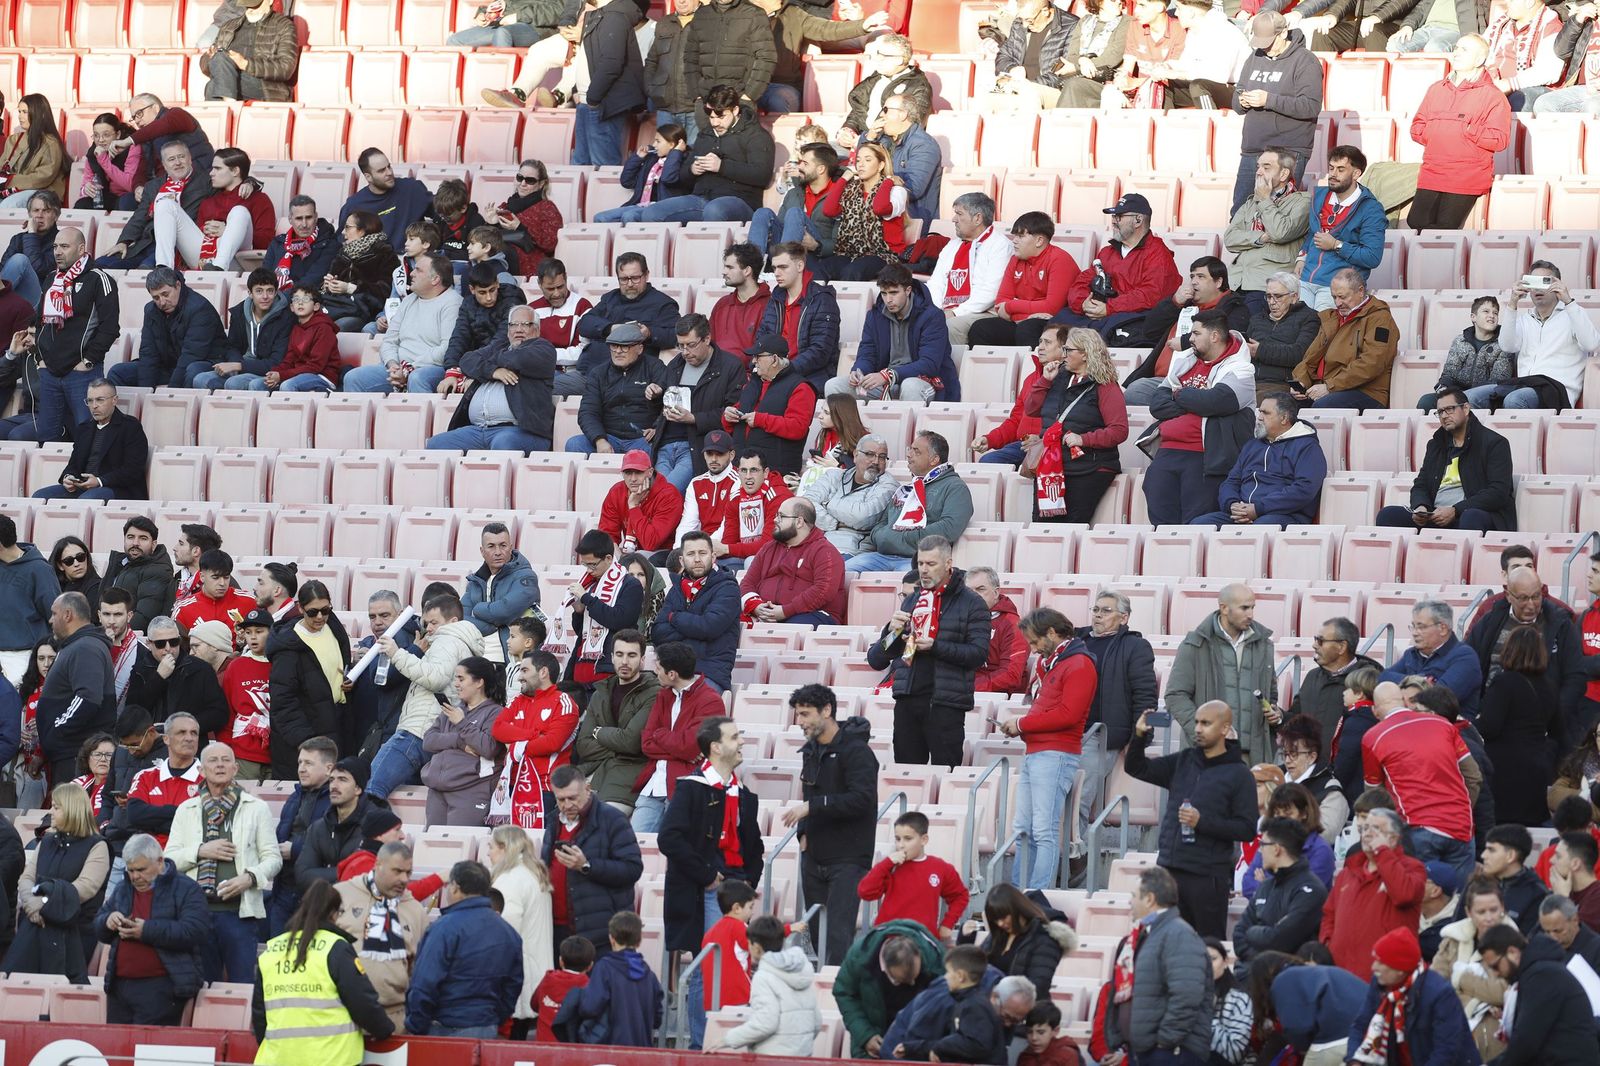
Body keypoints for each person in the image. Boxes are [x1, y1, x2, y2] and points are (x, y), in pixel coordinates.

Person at [659, 716, 762, 1045]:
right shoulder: (692, 787)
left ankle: (721, 1041)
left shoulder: (744, 794)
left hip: (734, 893)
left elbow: (754, 848)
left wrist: (747, 886)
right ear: (716, 747)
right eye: (735, 737)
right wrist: (706, 876)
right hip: (704, 892)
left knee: (732, 965)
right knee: (711, 965)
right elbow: (669, 838)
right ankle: (702, 1044)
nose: (741, 742)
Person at [1126, 703, 1257, 938]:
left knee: (1207, 946)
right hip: (1169, 870)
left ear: (1225, 728)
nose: (1198, 728)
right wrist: (1139, 736)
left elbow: (1247, 829)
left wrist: (1202, 822)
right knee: (1160, 942)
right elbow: (1137, 768)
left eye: (1206, 723)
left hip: (1207, 878)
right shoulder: (1184, 760)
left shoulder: (1240, 774)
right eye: (1197, 722)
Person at [993, 608, 1095, 890]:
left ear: (1052, 633)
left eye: (1035, 642)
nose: (1033, 649)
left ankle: (1037, 895)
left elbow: (1068, 715)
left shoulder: (1079, 664)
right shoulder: (1055, 662)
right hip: (1038, 752)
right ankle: (1019, 894)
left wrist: (1023, 724)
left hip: (1057, 754)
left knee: (1043, 831)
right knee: (1023, 829)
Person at [866, 536, 990, 767]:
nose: (923, 570)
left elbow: (978, 654)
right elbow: (876, 659)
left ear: (948, 563)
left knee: (946, 774)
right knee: (907, 775)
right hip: (908, 698)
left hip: (946, 703)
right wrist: (891, 632)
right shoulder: (912, 600)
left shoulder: (973, 603)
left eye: (931, 564)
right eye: (921, 563)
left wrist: (935, 647)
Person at [163, 741, 281, 982]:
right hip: (197, 913)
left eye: (226, 760)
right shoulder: (186, 809)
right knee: (203, 987)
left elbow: (273, 859)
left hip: (240, 914)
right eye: (213, 761)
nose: (220, 765)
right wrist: (200, 850)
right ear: (202, 771)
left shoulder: (256, 808)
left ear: (236, 768)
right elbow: (168, 859)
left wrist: (249, 878)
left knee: (243, 984)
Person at [783, 684, 878, 965]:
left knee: (838, 939)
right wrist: (803, 835)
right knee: (817, 936)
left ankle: (837, 1001)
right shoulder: (810, 749)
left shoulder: (857, 752)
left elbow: (861, 800)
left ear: (827, 711)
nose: (799, 721)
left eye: (805, 714)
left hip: (848, 857)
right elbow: (808, 793)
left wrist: (814, 807)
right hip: (814, 855)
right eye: (798, 715)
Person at [252, 879, 395, 1064]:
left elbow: (259, 1014)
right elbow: (361, 1001)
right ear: (334, 914)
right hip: (330, 1058)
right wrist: (383, 1029)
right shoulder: (336, 947)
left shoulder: (272, 950)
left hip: (277, 1059)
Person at [1141, 308, 1256, 525]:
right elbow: (1157, 404)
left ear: (1214, 336)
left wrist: (1179, 394)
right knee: (1160, 522)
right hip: (1167, 453)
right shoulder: (1186, 361)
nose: (1190, 339)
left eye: (1195, 334)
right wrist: (1195, 402)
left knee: (1194, 526)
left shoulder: (1241, 369)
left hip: (1206, 458)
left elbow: (1218, 401)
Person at [5, 227, 118, 445]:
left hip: (82, 373)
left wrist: (88, 360)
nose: (57, 251)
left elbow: (110, 327)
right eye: (55, 246)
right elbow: (39, 322)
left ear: (82, 248)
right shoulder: (51, 279)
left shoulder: (99, 279)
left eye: (64, 246)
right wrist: (40, 359)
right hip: (50, 373)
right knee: (48, 437)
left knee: (87, 435)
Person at [1362, 682, 1480, 888]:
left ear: (1374, 710)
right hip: (1461, 825)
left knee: (1419, 903)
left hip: (1416, 827)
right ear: (1406, 701)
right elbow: (1473, 775)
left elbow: (1375, 796)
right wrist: (1463, 808)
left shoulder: (1373, 737)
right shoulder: (1443, 725)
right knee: (1459, 904)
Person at [94, 832, 209, 1026]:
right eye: (130, 871)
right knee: (117, 1052)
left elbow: (195, 930)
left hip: (163, 988)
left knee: (147, 1052)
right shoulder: (123, 888)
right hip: (119, 988)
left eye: (141, 869)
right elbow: (98, 926)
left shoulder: (186, 889)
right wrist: (108, 921)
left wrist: (145, 931)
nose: (135, 876)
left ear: (160, 861)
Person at [1406, 35, 1513, 231]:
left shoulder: (1493, 96)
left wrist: (1467, 130)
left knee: (1444, 229)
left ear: (1480, 60)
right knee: (1416, 223)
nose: (1457, 52)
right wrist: (1435, 132)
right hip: (1433, 171)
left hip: (1465, 176)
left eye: (1465, 50)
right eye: (1456, 48)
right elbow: (1417, 127)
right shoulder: (1436, 89)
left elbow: (1499, 140)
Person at [406, 860, 524, 1037]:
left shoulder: (443, 929)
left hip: (443, 1029)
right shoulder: (508, 932)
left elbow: (424, 984)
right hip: (486, 1027)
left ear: (454, 887)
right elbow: (513, 986)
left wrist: (415, 1025)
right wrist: (493, 1019)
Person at [4, 782, 109, 981]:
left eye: (56, 807)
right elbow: (27, 877)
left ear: (72, 809)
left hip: (73, 931)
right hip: (35, 923)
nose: (51, 811)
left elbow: (85, 887)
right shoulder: (47, 841)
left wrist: (42, 904)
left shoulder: (97, 846)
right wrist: (30, 904)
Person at [1164, 583, 1277, 767]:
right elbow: (1175, 696)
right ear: (1224, 608)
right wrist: (1204, 732)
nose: (1251, 614)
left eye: (1252, 607)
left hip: (1253, 757)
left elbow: (1271, 693)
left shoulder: (1264, 645)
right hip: (1208, 756)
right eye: (1244, 608)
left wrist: (1274, 711)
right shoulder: (1195, 644)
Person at [1376, 388, 1517, 533]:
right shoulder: (1436, 444)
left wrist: (1456, 510)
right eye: (1440, 412)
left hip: (1470, 514)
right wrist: (1421, 507)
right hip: (1435, 515)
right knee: (1387, 515)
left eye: (1449, 409)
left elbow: (1498, 492)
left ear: (1466, 408)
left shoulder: (1494, 443)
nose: (1444, 416)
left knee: (1471, 517)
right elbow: (1421, 484)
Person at [543, 763, 644, 954]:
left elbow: (632, 869)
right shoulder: (554, 820)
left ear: (587, 789)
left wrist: (587, 866)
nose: (567, 805)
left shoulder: (613, 820)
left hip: (600, 934)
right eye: (560, 799)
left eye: (573, 798)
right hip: (557, 929)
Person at [330, 839, 428, 1033]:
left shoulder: (416, 911)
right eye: (397, 871)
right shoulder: (340, 894)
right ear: (378, 865)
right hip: (341, 1015)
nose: (404, 879)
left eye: (408, 873)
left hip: (393, 1019)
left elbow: (419, 969)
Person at [831, 262, 960, 405]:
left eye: (893, 293)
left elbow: (929, 364)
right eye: (884, 293)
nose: (888, 300)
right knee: (835, 386)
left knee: (911, 386)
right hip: (886, 382)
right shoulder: (874, 316)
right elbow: (867, 353)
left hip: (925, 382)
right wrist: (858, 371)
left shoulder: (932, 316)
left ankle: (908, 428)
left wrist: (888, 375)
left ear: (908, 290)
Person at [1122, 866, 1214, 1064]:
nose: (1130, 901)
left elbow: (1187, 995)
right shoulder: (1155, 933)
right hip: (1153, 1050)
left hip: (1172, 1053)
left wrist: (1165, 1042)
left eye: (1134, 895)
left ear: (1149, 899)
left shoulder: (1178, 935)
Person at [1348, 926, 1477, 1066]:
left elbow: (1446, 1050)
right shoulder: (1379, 984)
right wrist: (1355, 1059)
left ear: (1399, 969)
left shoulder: (1439, 993)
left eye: (1381, 962)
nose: (1374, 967)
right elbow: (1360, 1025)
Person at [1320, 807, 1427, 975]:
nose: (1367, 834)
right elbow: (1329, 914)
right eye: (1364, 828)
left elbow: (1403, 895)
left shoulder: (1413, 868)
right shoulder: (1348, 873)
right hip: (1341, 974)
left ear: (1393, 839)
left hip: (1384, 978)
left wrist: (1382, 852)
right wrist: (1328, 944)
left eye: (1376, 829)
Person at [1476, 627, 1566, 825]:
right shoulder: (1549, 685)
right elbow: (1558, 730)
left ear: (1509, 650)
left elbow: (1490, 726)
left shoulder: (1504, 682)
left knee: (1501, 831)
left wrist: (1473, 720)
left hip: (1504, 769)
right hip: (1537, 767)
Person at [848, 432, 974, 572]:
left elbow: (948, 528)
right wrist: (888, 539)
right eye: (910, 449)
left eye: (916, 451)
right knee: (844, 571)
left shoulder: (955, 488)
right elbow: (880, 526)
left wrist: (900, 539)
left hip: (921, 560)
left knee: (909, 583)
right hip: (882, 556)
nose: (909, 455)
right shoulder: (907, 488)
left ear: (934, 460)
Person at [1481, 261, 1600, 410]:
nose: (1537, 288)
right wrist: (1512, 303)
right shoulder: (1525, 320)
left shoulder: (1574, 313)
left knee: (1514, 400)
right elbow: (1507, 345)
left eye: (1544, 282)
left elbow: (1592, 344)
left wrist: (1568, 301)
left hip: (1557, 391)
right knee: (1470, 398)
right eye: (1533, 282)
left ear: (1557, 286)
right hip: (1524, 385)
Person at [265, 582, 352, 778]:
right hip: (307, 740)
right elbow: (283, 704)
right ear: (300, 608)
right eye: (313, 612)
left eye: (325, 610)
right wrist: (309, 743)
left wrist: (349, 681)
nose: (320, 617)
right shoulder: (287, 648)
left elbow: (340, 667)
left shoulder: (333, 627)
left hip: (338, 723)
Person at [343, 254, 463, 395]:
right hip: (400, 368)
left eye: (418, 270)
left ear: (435, 279)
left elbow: (447, 349)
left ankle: (417, 417)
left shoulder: (453, 303)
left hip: (431, 367)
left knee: (417, 378)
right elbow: (389, 340)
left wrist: (409, 369)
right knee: (353, 378)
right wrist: (393, 364)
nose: (411, 273)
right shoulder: (408, 300)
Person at [650, 314, 745, 492]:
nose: (685, 352)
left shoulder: (731, 366)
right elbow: (662, 403)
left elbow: (732, 413)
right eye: (681, 346)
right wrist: (655, 395)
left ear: (707, 338)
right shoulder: (676, 363)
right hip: (665, 444)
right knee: (656, 493)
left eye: (691, 345)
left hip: (696, 447)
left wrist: (694, 418)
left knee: (664, 493)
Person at [965, 212, 1080, 351]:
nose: (1014, 240)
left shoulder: (1060, 260)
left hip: (1055, 324)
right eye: (1014, 236)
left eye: (1020, 236)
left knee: (1027, 329)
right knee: (981, 328)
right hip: (1021, 321)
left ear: (1039, 240)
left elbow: (1052, 308)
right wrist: (1024, 313)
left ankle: (1033, 372)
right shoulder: (1015, 259)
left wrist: (1011, 307)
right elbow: (1000, 303)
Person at [1288, 269, 1399, 412]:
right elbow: (1310, 358)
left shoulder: (1381, 320)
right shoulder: (1332, 317)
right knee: (1281, 405)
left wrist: (1330, 386)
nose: (1338, 303)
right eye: (1334, 297)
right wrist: (1301, 381)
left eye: (1342, 297)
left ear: (1360, 291)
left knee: (1322, 407)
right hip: (1327, 386)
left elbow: (1372, 363)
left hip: (1367, 391)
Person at [37, 593, 117, 789]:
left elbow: (88, 699)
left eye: (53, 614)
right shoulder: (77, 646)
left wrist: (56, 729)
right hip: (68, 752)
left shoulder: (86, 648)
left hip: (75, 753)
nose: (50, 620)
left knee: (72, 816)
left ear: (67, 615)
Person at [568, 254, 681, 391]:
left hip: (630, 377)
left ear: (646, 275)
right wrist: (611, 328)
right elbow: (585, 324)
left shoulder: (663, 303)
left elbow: (675, 334)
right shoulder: (610, 298)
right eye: (624, 279)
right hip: (590, 372)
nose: (629, 284)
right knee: (549, 387)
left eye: (635, 278)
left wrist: (649, 333)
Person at [834, 920, 944, 1057]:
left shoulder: (936, 960)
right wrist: (865, 1035)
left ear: (919, 955)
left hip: (918, 1046)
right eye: (902, 980)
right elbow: (844, 993)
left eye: (915, 976)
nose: (912, 983)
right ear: (885, 966)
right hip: (872, 1042)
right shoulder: (861, 956)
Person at [1296, 146, 1385, 312]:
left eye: (1341, 169)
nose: (1333, 174)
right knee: (1294, 328)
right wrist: (1302, 257)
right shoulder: (1319, 196)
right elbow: (1312, 234)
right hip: (1306, 279)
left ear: (1356, 174)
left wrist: (1337, 245)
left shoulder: (1371, 209)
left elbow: (1372, 257)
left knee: (1318, 330)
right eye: (1331, 168)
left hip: (1339, 288)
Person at [859, 809, 969, 944]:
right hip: (887, 940)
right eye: (897, 839)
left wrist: (947, 925)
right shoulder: (890, 866)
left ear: (924, 840)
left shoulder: (940, 867)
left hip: (922, 941)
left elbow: (960, 896)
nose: (901, 845)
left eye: (908, 839)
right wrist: (886, 864)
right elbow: (865, 892)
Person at [421, 657, 506, 827]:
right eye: (455, 679)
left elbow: (488, 748)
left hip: (471, 791)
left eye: (461, 679)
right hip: (437, 790)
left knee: (460, 847)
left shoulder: (496, 712)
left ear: (479, 682)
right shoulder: (453, 711)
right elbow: (428, 741)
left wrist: (461, 723)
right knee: (433, 848)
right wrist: (460, 742)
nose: (456, 684)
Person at [1229, 155, 1316, 322]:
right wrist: (1261, 237)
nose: (1259, 172)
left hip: (1265, 287)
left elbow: (1280, 232)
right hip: (1235, 281)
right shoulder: (1250, 202)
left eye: (1266, 167)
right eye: (1258, 166)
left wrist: (1264, 200)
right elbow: (1230, 239)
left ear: (1283, 174)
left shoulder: (1303, 202)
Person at [1235, 817, 1330, 970]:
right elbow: (1238, 934)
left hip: (1288, 980)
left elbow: (1278, 939)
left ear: (1277, 849)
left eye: (1262, 845)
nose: (1260, 850)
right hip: (1252, 973)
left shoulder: (1310, 891)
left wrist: (1252, 932)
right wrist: (1260, 959)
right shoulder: (1265, 886)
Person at [485, 825, 554, 1034]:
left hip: (518, 974)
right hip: (534, 968)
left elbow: (504, 931)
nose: (488, 853)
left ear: (504, 848)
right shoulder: (533, 875)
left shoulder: (510, 880)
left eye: (491, 847)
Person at [30, 379, 146, 502]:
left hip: (117, 488)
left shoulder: (130, 426)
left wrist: (99, 481)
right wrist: (68, 477)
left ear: (114, 400)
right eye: (90, 401)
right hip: (84, 486)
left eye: (100, 400)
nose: (94, 406)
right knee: (39, 497)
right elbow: (73, 464)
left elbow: (133, 470)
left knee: (87, 499)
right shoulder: (84, 428)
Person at [739, 497, 849, 625]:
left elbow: (823, 591)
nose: (775, 520)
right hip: (767, 614)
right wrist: (756, 606)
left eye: (781, 516)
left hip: (814, 615)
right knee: (729, 622)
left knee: (791, 627)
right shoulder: (769, 548)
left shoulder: (824, 551)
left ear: (799, 522)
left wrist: (786, 611)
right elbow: (748, 582)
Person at [724, 334, 820, 477]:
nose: (753, 361)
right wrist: (728, 416)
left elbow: (797, 427)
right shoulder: (752, 383)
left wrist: (760, 420)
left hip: (775, 473)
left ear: (774, 359)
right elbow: (736, 415)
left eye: (758, 356)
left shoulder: (801, 388)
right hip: (740, 468)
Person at [754, 243, 842, 398]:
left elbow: (820, 351)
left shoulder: (822, 300)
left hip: (810, 377)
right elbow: (762, 338)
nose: (777, 273)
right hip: (775, 373)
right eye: (774, 268)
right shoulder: (776, 298)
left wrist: (784, 368)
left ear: (800, 265)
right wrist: (763, 364)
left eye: (783, 267)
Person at [574, 910, 663, 1046]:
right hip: (642, 1051)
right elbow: (657, 1019)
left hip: (611, 1050)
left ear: (611, 938)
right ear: (639, 940)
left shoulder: (604, 968)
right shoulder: (650, 976)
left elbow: (590, 1007)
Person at [802, 433, 898, 555]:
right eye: (870, 454)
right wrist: (834, 523)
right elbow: (805, 504)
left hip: (850, 551)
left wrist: (826, 504)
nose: (876, 461)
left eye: (882, 457)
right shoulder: (834, 476)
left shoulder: (889, 485)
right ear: (856, 455)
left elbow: (862, 517)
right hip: (814, 544)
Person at [859, 94, 942, 227]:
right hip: (879, 215)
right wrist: (869, 137)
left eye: (886, 110)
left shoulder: (924, 145)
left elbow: (914, 189)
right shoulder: (883, 139)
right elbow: (861, 165)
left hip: (909, 220)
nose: (881, 115)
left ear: (903, 114)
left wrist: (885, 182)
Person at [838, 34, 930, 146]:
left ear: (899, 60)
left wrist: (866, 140)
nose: (877, 59)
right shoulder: (876, 78)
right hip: (862, 142)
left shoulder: (918, 87)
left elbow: (909, 130)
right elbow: (859, 110)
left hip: (885, 151)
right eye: (878, 54)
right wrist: (848, 130)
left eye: (884, 56)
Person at [201, 0, 297, 101]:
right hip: (232, 79)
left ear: (270, 1)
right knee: (219, 60)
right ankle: (230, 104)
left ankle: (229, 108)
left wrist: (245, 64)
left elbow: (286, 68)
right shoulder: (228, 27)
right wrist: (209, 58)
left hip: (266, 86)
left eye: (255, 5)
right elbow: (206, 67)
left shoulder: (284, 25)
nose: (250, 9)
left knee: (213, 86)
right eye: (247, 4)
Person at [320, 211, 398, 332]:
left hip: (365, 312)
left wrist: (351, 288)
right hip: (338, 306)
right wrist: (328, 285)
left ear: (362, 230)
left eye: (347, 227)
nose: (342, 232)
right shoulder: (343, 253)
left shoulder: (384, 253)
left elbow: (386, 292)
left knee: (336, 327)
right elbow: (331, 282)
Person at [1054, 0, 1129, 107]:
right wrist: (1082, 61)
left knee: (1074, 85)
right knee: (1031, 89)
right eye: (1113, 0)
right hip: (1077, 79)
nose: (1119, 2)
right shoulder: (1085, 21)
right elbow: (1071, 55)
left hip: (1106, 82)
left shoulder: (1126, 22)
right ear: (1098, 2)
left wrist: (1077, 67)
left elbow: (1113, 58)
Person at [1479, 823, 1550, 934]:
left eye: (1491, 850)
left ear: (1511, 856)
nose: (1483, 855)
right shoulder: (1478, 883)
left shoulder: (1537, 894)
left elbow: (1529, 941)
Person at [0, 94, 68, 209]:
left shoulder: (51, 143)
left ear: (39, 114)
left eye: (25, 112)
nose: (20, 116)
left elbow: (43, 177)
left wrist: (11, 180)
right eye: (19, 112)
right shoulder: (13, 140)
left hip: (42, 192)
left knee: (8, 205)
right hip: (11, 189)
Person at [262, 196, 338, 293]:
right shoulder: (277, 243)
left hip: (301, 301)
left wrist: (279, 299)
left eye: (308, 217)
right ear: (290, 219)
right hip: (270, 298)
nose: (304, 224)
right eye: (299, 218)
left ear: (316, 217)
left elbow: (311, 281)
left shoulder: (330, 244)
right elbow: (263, 277)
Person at [0, 190, 60, 306]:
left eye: (46, 211)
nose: (39, 215)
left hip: (40, 300)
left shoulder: (61, 241)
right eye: (36, 210)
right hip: (11, 298)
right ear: (29, 214)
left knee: (20, 260)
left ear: (56, 215)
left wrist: (32, 234)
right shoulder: (18, 239)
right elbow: (4, 272)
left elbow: (39, 269)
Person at [710, 244, 771, 356]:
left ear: (747, 271)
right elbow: (709, 345)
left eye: (730, 267)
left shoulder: (769, 306)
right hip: (717, 371)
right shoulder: (721, 304)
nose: (724, 272)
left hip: (750, 372)